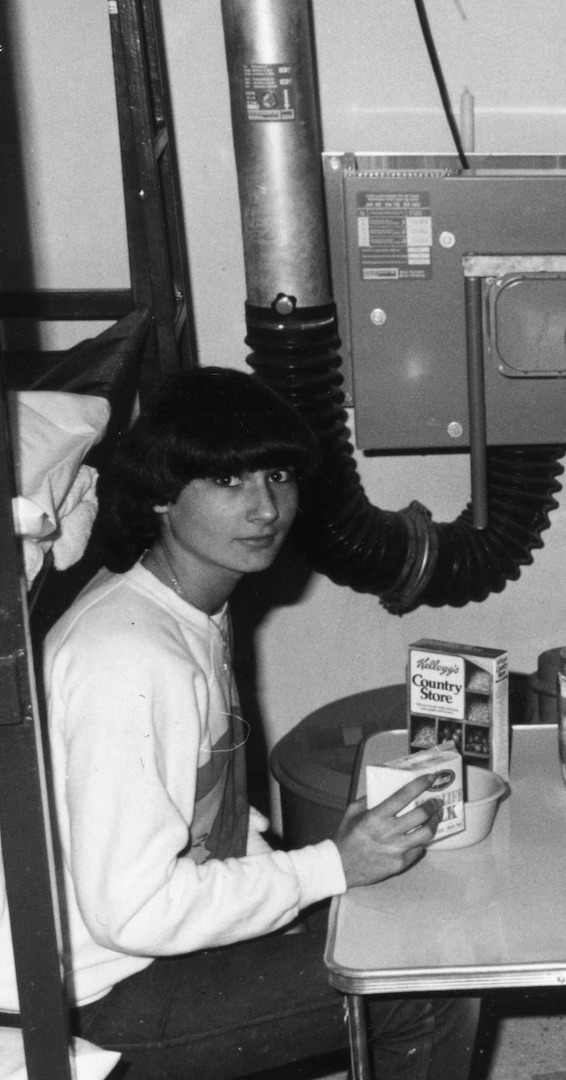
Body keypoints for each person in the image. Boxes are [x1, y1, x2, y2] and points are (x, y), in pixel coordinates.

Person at [2, 368, 478, 1079]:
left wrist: (330, 869)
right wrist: (330, 866)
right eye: (228, 483)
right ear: (163, 495)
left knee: (408, 915)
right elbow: (131, 915)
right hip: (96, 996)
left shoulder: (188, 605)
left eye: (278, 476)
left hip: (137, 952)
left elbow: (206, 805)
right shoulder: (130, 655)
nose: (265, 509)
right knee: (429, 981)